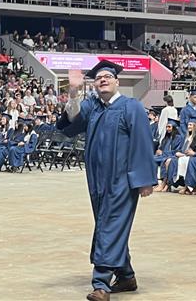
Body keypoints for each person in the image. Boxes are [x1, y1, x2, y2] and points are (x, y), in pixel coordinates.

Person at [57, 61, 156, 301]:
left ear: (117, 81)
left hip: (122, 181)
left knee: (108, 227)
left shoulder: (131, 107)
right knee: (109, 226)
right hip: (97, 181)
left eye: (107, 77)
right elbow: (71, 123)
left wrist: (144, 180)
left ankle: (101, 283)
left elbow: (143, 143)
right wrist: (73, 92)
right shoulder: (93, 106)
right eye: (98, 77)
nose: (102, 80)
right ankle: (126, 276)